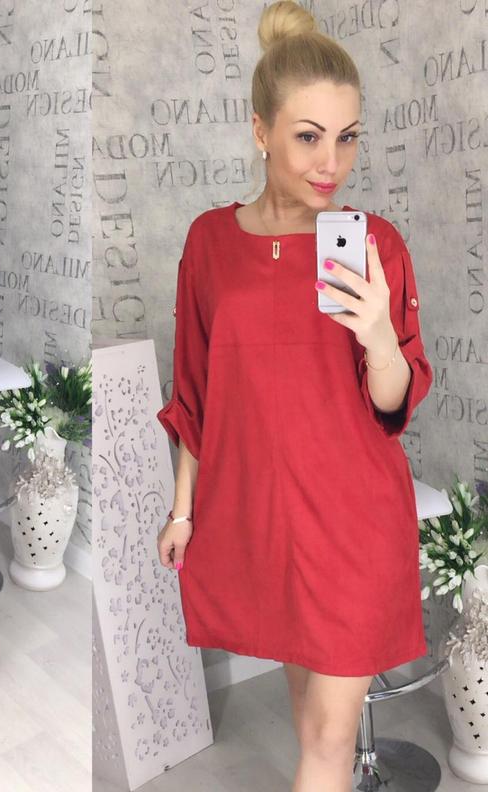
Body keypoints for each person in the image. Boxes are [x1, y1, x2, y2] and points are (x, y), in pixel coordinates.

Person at [154, 2, 432, 790]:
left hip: (354, 523)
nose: (330, 162)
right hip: (263, 522)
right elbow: (195, 390)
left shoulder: (375, 246)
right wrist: (184, 511)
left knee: (328, 743)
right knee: (308, 723)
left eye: (347, 137)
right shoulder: (210, 242)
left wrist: (379, 334)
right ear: (260, 130)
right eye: (309, 136)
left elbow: (393, 402)